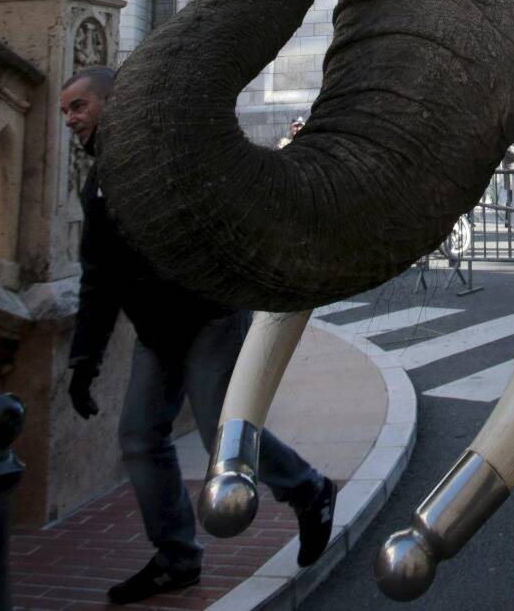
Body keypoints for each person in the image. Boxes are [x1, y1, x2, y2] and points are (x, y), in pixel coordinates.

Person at [63, 68, 336, 604]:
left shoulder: (167, 155)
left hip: (209, 317)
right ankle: (176, 557)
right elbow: (99, 276)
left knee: (221, 437)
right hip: (157, 334)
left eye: (79, 105)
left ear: (113, 104)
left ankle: (309, 489)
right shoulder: (96, 184)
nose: (71, 119)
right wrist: (84, 359)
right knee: (139, 437)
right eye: (66, 111)